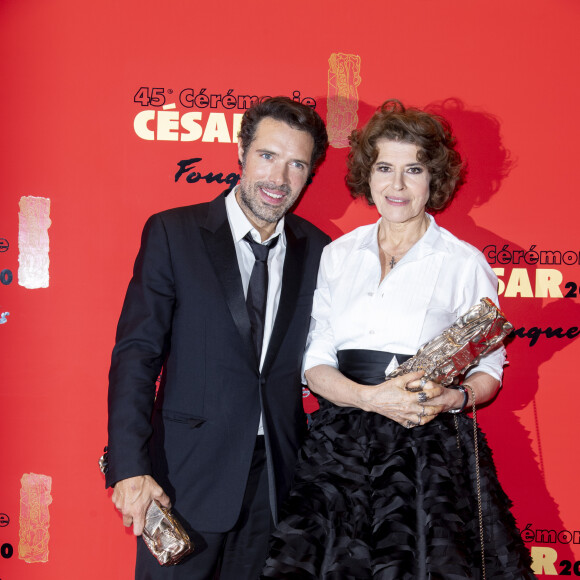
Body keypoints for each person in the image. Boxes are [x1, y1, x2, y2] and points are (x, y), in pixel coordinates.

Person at [262, 100, 536, 579]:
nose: (397, 185)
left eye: (413, 170)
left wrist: (455, 396)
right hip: (339, 450)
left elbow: (490, 368)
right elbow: (315, 359)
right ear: (368, 174)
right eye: (385, 167)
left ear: (434, 179)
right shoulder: (338, 255)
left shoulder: (463, 262)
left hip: (428, 451)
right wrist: (369, 399)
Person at [104, 96, 331, 579]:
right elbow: (137, 355)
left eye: (297, 164)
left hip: (278, 484)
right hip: (183, 478)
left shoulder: (321, 251)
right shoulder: (174, 232)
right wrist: (128, 468)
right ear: (241, 152)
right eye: (268, 156)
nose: (279, 179)